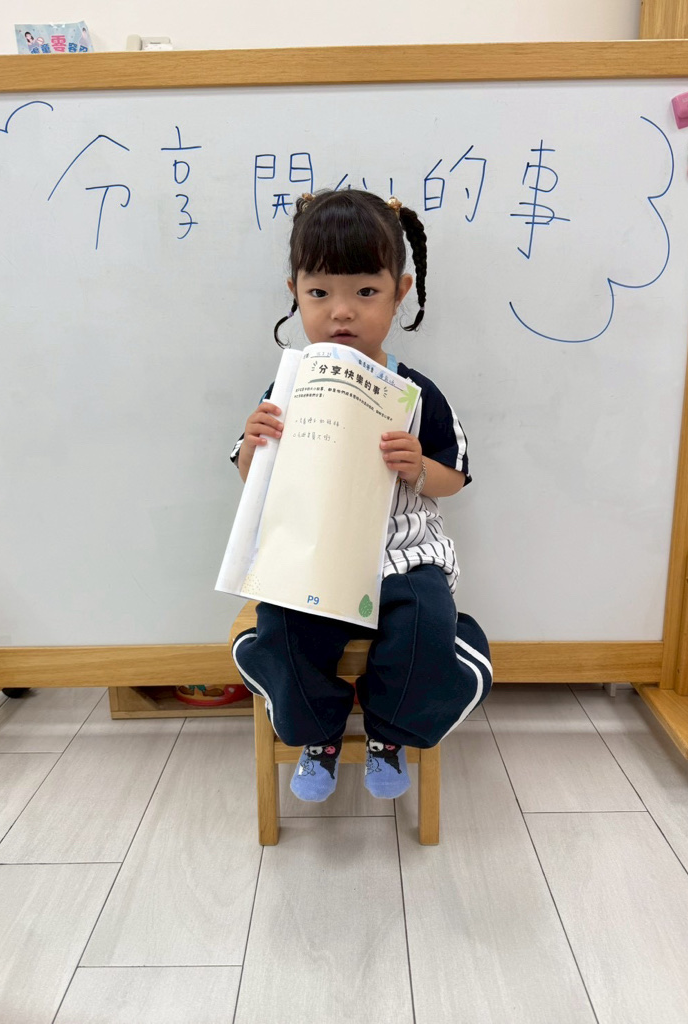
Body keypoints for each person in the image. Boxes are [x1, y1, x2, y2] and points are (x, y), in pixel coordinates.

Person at [231, 188, 492, 803]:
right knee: (286, 624)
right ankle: (317, 735)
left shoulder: (416, 392)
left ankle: (390, 733)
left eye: (366, 292)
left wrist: (418, 468)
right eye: (320, 293)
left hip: (403, 553)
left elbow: (455, 476)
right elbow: (251, 477)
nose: (341, 312)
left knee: (425, 617)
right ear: (295, 292)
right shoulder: (289, 386)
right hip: (315, 549)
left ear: (400, 293)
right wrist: (255, 442)